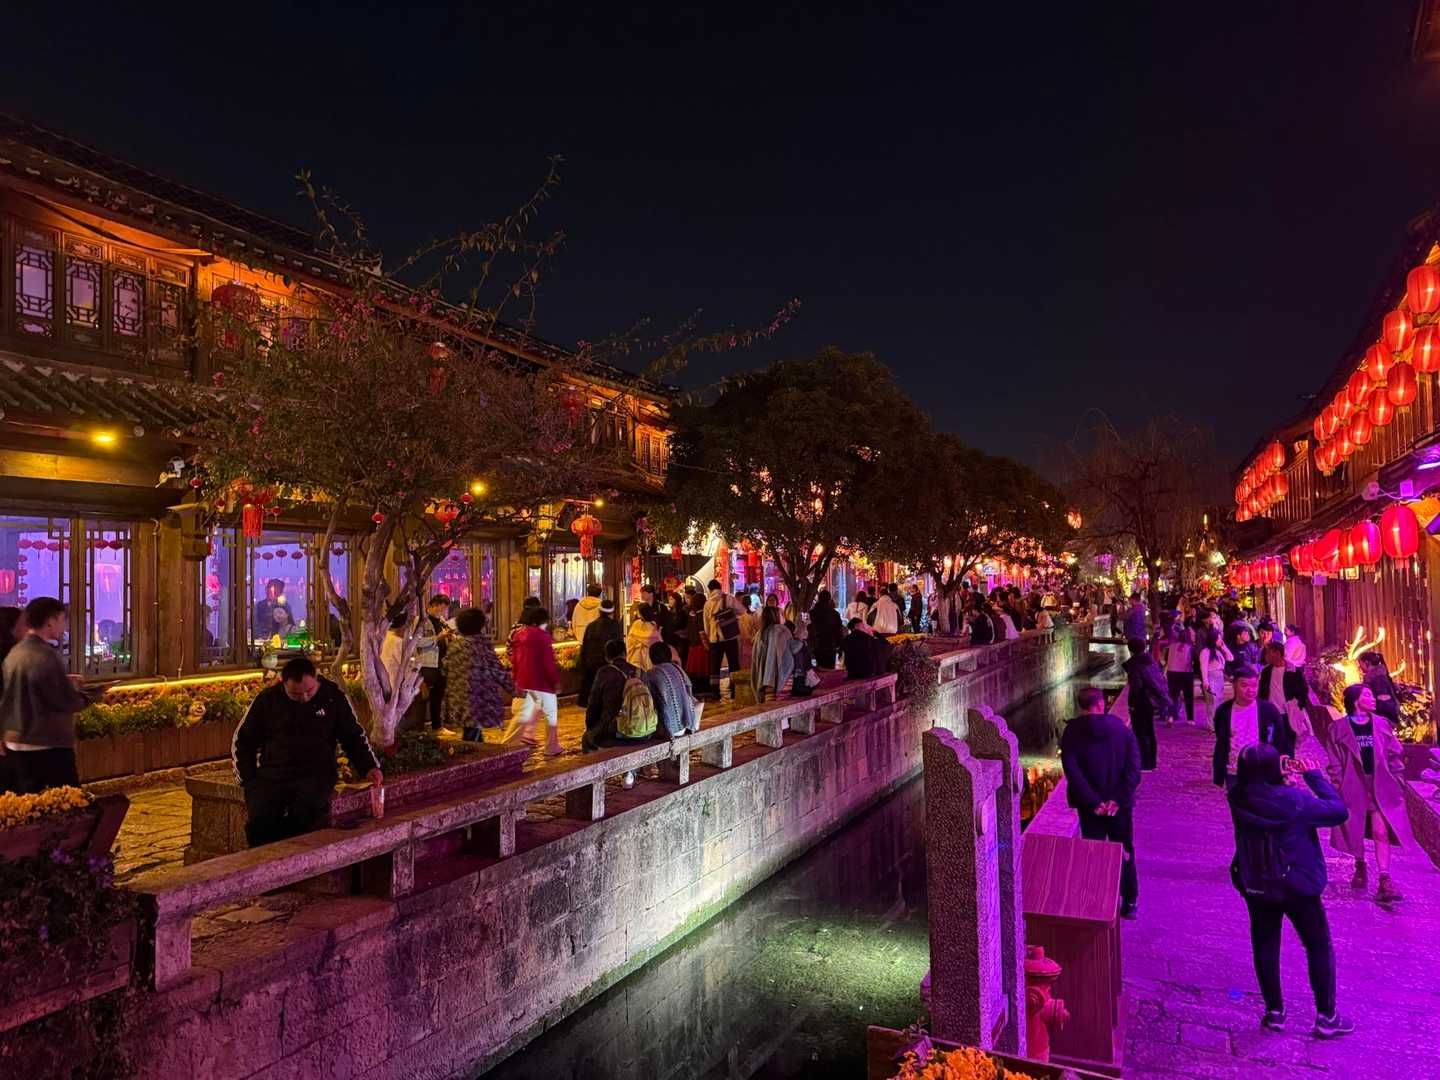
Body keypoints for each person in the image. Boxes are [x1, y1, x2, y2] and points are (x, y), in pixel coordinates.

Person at [1227, 743, 1354, 1039]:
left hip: (1257, 881)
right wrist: (1313, 777)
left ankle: (1274, 1012)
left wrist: (1281, 783)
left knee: (1265, 944)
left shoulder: (1237, 798)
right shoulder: (1296, 800)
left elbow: (1263, 798)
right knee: (1317, 944)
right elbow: (1338, 811)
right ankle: (1326, 1016)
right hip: (1299, 883)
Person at [231, 656, 383, 846]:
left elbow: (352, 736)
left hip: (315, 778)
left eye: (309, 691)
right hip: (273, 777)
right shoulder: (268, 700)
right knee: (260, 828)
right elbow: (244, 741)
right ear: (283, 683)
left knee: (305, 827)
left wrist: (368, 766)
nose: (303, 697)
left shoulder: (333, 697)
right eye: (295, 694)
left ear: (316, 678)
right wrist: (249, 781)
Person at [0, 597, 106, 793]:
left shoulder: (16, 653)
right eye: (62, 619)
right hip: (47, 741)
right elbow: (64, 701)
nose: (64, 626)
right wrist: (90, 696)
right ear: (50, 621)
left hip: (16, 741)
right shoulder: (45, 655)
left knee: (30, 802)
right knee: (70, 798)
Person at [1327, 684, 1414, 903]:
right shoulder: (1338, 728)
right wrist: (1338, 785)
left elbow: (1394, 753)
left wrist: (1398, 779)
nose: (1373, 698)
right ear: (1355, 700)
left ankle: (1385, 878)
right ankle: (1360, 864)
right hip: (1353, 784)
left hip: (1380, 784)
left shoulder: (1382, 724)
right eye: (1367, 695)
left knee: (1380, 831)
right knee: (1355, 828)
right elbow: (1334, 761)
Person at [1060, 687, 1142, 918]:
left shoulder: (1072, 732)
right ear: (1101, 704)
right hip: (1120, 807)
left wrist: (1093, 801)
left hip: (1090, 808)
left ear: (1081, 705)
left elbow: (1072, 771)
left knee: (1093, 851)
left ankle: (1097, 900)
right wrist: (1118, 799)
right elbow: (1134, 769)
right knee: (1123, 849)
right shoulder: (1122, 730)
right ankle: (1130, 900)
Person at [1213, 665, 1295, 788]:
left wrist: (1285, 769)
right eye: (1244, 685)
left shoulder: (1268, 710)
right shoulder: (1223, 711)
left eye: (1254, 686)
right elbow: (1221, 741)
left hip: (1263, 770)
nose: (1250, 690)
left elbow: (1280, 740)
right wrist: (1219, 773)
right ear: (1234, 685)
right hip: (1234, 770)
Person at [442, 608, 514, 742]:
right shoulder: (481, 645)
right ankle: (470, 754)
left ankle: (475, 751)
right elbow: (497, 670)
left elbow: (445, 668)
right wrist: (513, 688)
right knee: (471, 736)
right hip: (477, 699)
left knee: (473, 732)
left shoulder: (455, 645)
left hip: (458, 697)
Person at [510, 606, 563, 755]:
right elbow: (548, 662)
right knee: (551, 715)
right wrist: (555, 681)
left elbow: (515, 660)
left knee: (524, 714)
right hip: (542, 682)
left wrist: (516, 679)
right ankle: (551, 747)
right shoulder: (543, 637)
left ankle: (509, 743)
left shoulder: (518, 635)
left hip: (525, 681)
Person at [582, 638, 649, 752]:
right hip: (643, 731)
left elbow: (593, 705)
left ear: (607, 657)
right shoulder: (640, 672)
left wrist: (591, 728)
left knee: (587, 739)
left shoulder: (604, 673)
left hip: (615, 733)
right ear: (625, 654)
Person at [1122, 638, 1171, 771]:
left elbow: (1136, 686)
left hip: (1140, 701)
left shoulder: (1136, 665)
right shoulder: (1150, 661)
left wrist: (1132, 703)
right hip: (1150, 701)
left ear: (1130, 649)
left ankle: (1144, 763)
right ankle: (1151, 762)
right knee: (1149, 731)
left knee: (1140, 732)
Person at [644, 641, 701, 738]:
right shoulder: (678, 669)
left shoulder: (651, 674)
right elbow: (689, 692)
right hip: (687, 724)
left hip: (668, 730)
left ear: (651, 657)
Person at [416, 593, 454, 730]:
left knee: (438, 696)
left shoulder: (442, 621)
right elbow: (417, 642)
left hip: (441, 663)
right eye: (440, 608)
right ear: (432, 606)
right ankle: (420, 727)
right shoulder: (421, 621)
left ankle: (437, 726)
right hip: (428, 664)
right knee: (424, 698)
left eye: (444, 609)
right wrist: (437, 638)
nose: (442, 612)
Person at [702, 580, 743, 701]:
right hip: (730, 637)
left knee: (714, 666)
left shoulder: (707, 603)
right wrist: (732, 614)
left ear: (710, 589)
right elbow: (742, 611)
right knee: (733, 663)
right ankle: (735, 689)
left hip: (715, 639)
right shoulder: (729, 598)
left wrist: (710, 636)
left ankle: (715, 692)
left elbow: (706, 624)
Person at [578, 598, 622, 707]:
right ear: (612, 612)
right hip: (607, 663)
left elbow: (585, 647)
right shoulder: (615, 626)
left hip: (591, 665)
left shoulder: (591, 626)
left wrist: (583, 664)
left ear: (599, 611)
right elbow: (618, 647)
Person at [750, 606, 797, 702]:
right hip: (778, 680)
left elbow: (756, 660)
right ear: (776, 616)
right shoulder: (781, 630)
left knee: (768, 706)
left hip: (763, 681)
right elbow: (793, 649)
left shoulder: (759, 634)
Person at [1198, 628, 1233, 732]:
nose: (1220, 641)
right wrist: (1205, 681)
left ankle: (1217, 722)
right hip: (1211, 677)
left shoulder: (1218, 651)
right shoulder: (1205, 652)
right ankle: (1211, 724)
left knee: (1219, 701)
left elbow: (1231, 658)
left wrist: (1224, 647)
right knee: (1212, 702)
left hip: (1219, 678)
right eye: (1218, 639)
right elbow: (1203, 667)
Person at [1162, 626, 1196, 727]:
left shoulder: (1172, 646)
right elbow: (1195, 660)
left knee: (1173, 696)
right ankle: (1190, 719)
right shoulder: (1190, 647)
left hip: (1172, 672)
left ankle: (1170, 716)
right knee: (1188, 696)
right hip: (1186, 673)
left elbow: (1166, 659)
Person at [1357, 652, 1400, 725]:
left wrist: (1376, 720)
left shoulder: (1378, 680)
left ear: (1367, 662)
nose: (1359, 667)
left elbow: (1385, 704)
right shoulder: (1376, 678)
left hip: (1383, 721)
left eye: (1360, 664)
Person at [808, 590, 845, 670]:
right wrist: (840, 646)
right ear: (829, 599)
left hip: (817, 645)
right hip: (830, 645)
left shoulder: (812, 613)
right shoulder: (834, 614)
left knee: (819, 668)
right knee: (829, 669)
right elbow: (839, 631)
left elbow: (809, 630)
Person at [626, 603, 663, 671]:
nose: (636, 613)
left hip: (640, 657)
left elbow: (631, 639)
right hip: (642, 657)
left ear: (642, 613)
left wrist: (638, 643)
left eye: (637, 611)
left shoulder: (649, 624)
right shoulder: (652, 624)